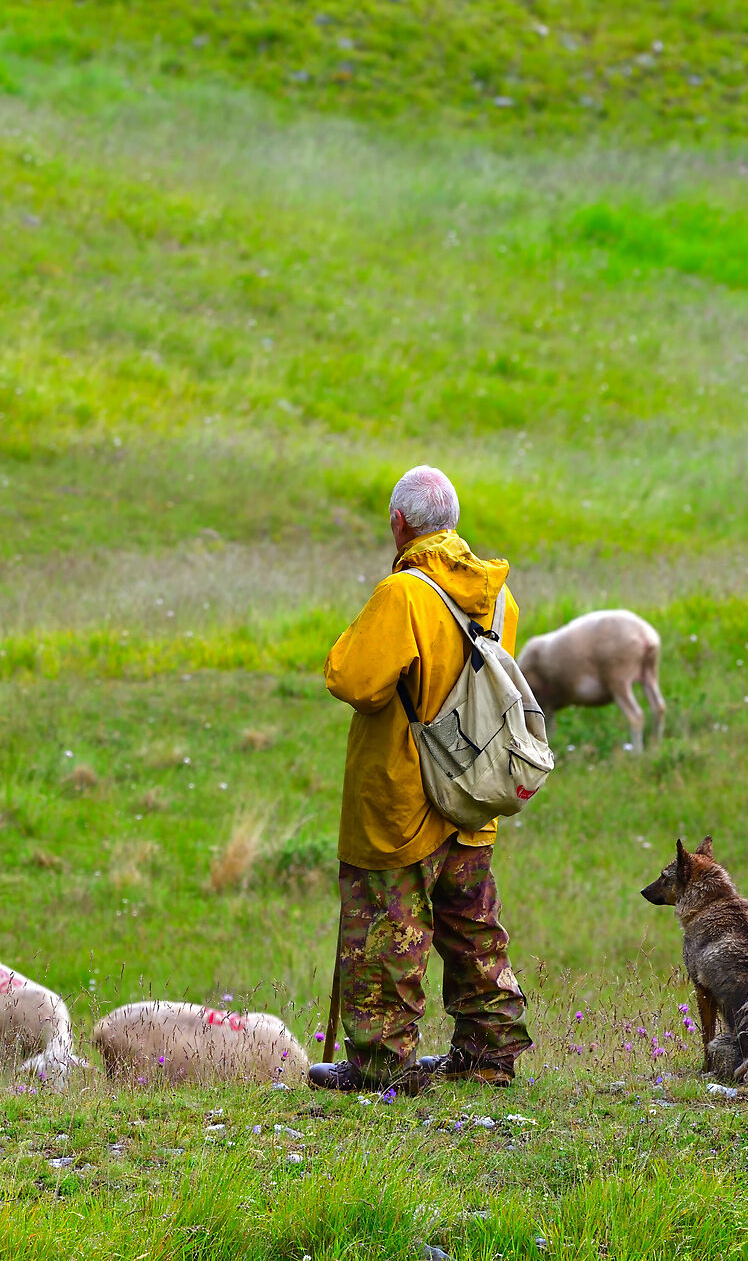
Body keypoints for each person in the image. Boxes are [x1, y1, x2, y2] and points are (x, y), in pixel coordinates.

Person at [308, 465, 533, 1092]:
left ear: (399, 524)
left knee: (388, 930)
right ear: (452, 523)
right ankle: (488, 1054)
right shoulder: (497, 596)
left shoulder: (404, 594)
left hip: (403, 795)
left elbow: (352, 681)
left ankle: (383, 1065)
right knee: (472, 926)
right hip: (469, 791)